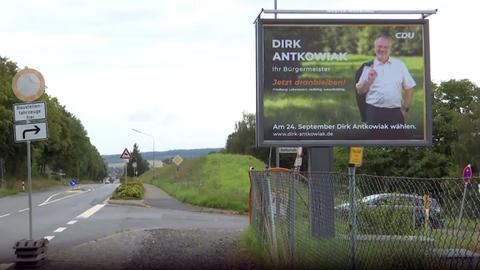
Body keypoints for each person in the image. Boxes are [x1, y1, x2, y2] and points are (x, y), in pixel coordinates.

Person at [355, 34, 416, 128]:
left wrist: (405, 109)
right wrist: (369, 81)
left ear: (390, 49)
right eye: (379, 46)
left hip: (395, 113)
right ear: (374, 48)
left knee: (397, 142)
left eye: (385, 47)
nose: (382, 50)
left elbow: (410, 87)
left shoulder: (400, 65)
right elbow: (360, 91)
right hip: (373, 112)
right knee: (374, 142)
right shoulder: (368, 66)